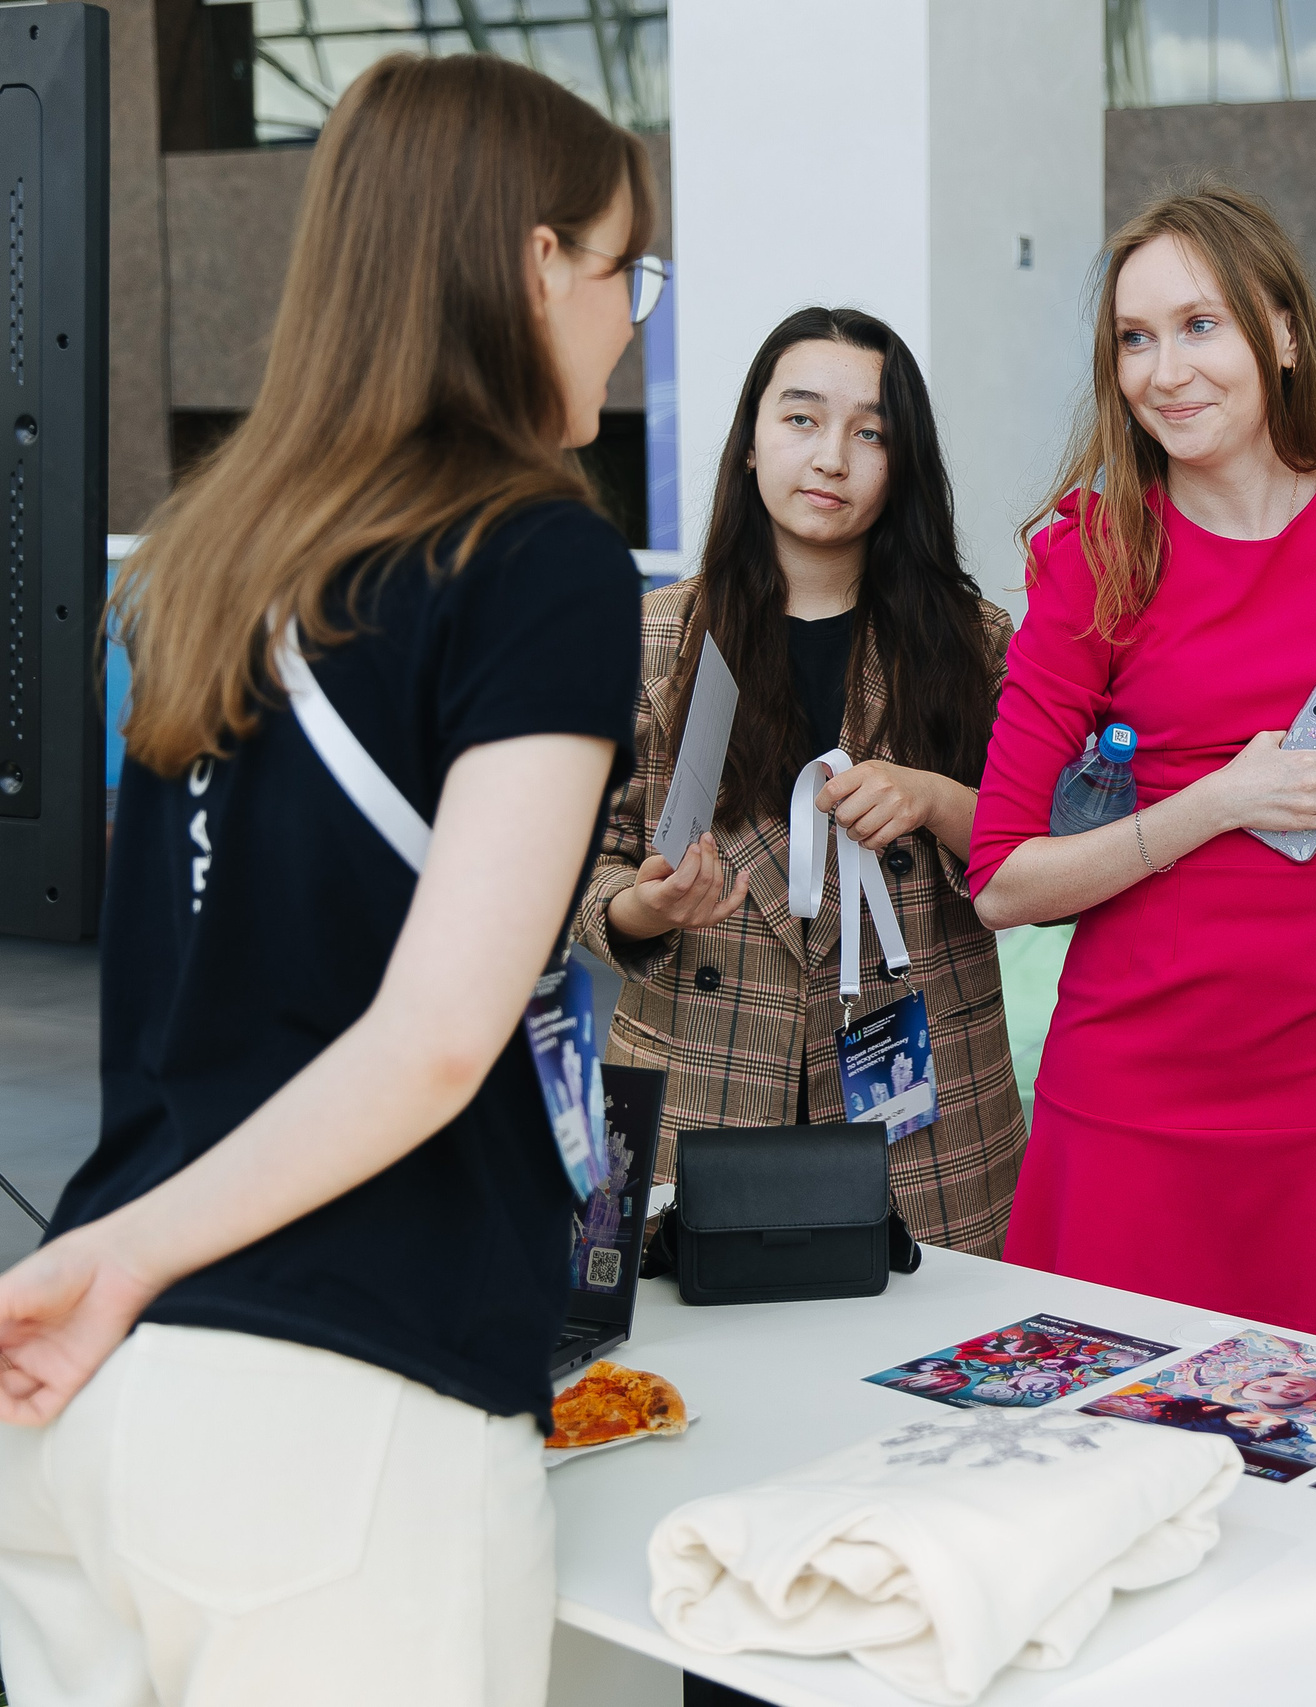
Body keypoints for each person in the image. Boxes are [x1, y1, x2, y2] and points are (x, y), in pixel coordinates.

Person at [0, 55, 654, 1704]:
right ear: (536, 265)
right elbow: (438, 1034)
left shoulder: (212, 555)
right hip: (334, 1413)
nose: (632, 321)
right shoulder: (540, 557)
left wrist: (119, 1257)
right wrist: (127, 1258)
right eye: (623, 269)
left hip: (86, 1401)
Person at [970, 181, 1316, 1344]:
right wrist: (1216, 800)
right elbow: (1001, 882)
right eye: (1134, 339)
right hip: (1131, 1097)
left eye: (1199, 325)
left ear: (1283, 333)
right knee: (1106, 1423)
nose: (1165, 371)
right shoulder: (1095, 558)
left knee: (1308, 1432)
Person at [573, 308, 1024, 1255]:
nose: (831, 458)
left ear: (903, 464)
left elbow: (1037, 855)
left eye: (871, 433)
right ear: (750, 442)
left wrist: (935, 800)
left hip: (928, 1122)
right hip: (696, 1090)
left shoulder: (972, 641)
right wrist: (646, 908)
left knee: (936, 1343)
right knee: (682, 1342)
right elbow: (580, 869)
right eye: (801, 419)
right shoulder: (651, 638)